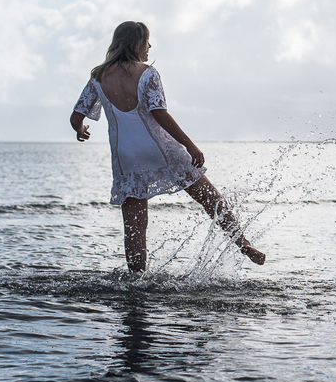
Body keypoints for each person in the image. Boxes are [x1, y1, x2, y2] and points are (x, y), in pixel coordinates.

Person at [70, 21, 265, 273]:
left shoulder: (98, 77)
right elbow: (159, 113)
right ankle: (243, 244)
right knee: (211, 199)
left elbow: (76, 117)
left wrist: (81, 130)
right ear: (134, 44)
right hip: (160, 150)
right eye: (146, 41)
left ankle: (137, 280)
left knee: (135, 228)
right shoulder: (147, 73)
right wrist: (190, 145)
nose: (149, 46)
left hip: (125, 157)